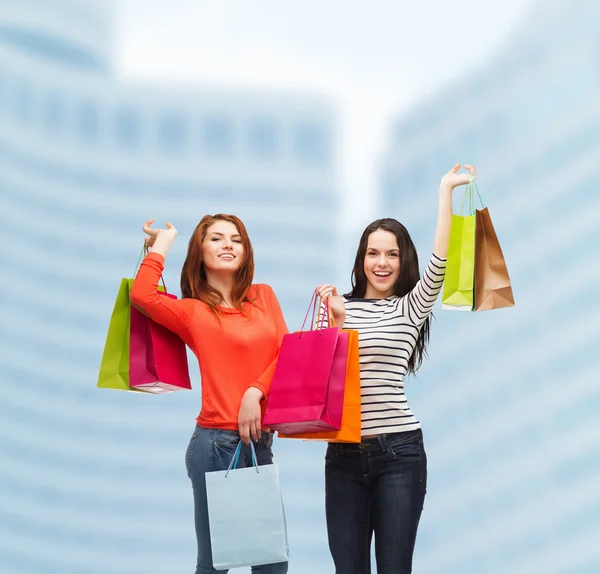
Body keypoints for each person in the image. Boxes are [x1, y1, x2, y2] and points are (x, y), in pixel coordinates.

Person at [316, 164, 477, 573]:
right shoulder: (338, 305)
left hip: (400, 452)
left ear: (403, 259)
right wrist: (334, 322)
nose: (382, 263)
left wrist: (446, 190)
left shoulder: (410, 307)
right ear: (361, 258)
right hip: (343, 457)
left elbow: (440, 259)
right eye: (373, 253)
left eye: (392, 253)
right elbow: (322, 383)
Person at [130, 214, 289, 574]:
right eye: (216, 239)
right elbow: (141, 294)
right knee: (217, 564)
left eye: (236, 239)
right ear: (200, 253)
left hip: (259, 443)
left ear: (246, 251)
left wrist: (255, 391)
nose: (228, 244)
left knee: (272, 563)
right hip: (216, 444)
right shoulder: (192, 311)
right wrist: (163, 242)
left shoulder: (264, 295)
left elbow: (286, 354)